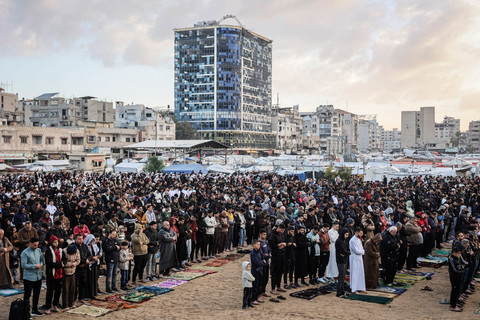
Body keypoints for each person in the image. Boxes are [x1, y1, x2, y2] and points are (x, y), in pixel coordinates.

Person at [21, 237, 44, 317]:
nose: (36, 246)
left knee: (37, 294)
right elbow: (23, 265)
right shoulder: (24, 253)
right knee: (27, 295)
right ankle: (25, 312)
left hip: (38, 276)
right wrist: (34, 266)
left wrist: (40, 264)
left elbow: (41, 259)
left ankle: (35, 309)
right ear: (30, 243)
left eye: (37, 245)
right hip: (29, 277)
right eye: (34, 245)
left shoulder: (39, 250)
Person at [44, 235, 64, 314]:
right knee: (50, 291)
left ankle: (55, 305)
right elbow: (49, 263)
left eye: (57, 242)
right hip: (51, 274)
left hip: (59, 274)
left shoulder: (60, 250)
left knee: (58, 290)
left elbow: (64, 259)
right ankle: (48, 307)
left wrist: (62, 264)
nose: (56, 243)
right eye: (54, 242)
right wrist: (59, 265)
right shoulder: (48, 251)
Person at [269, 224, 287, 294]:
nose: (282, 232)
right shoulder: (272, 235)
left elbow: (283, 243)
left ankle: (278, 286)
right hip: (275, 256)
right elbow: (271, 246)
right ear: (278, 228)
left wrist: (283, 245)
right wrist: (280, 244)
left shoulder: (281, 235)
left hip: (282, 255)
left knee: (280, 272)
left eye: (283, 230)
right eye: (282, 230)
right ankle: (273, 288)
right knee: (274, 272)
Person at [449, 242, 466, 312]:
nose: (459, 254)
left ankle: (455, 303)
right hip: (455, 277)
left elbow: (463, 263)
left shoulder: (458, 257)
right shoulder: (451, 258)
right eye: (459, 253)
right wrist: (462, 269)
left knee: (458, 290)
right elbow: (455, 270)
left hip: (459, 276)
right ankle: (453, 306)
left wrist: (462, 268)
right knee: (455, 291)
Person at [74, 233, 91, 303]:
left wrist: (88, 259)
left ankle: (81, 297)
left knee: (83, 283)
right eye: (79, 239)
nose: (81, 240)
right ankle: (74, 299)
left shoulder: (85, 246)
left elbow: (90, 255)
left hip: (84, 268)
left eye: (82, 239)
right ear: (75, 240)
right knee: (75, 285)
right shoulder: (73, 247)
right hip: (76, 268)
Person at [62, 243, 80, 310]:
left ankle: (71, 303)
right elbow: (63, 263)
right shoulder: (64, 251)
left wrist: (76, 263)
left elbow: (78, 260)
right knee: (65, 290)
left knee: (72, 289)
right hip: (66, 273)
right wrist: (72, 264)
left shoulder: (77, 251)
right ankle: (65, 305)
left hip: (73, 272)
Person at [349, 227, 366, 294]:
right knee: (355, 273)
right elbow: (356, 251)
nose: (361, 234)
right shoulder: (352, 240)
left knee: (360, 273)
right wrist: (362, 252)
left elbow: (362, 249)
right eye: (360, 233)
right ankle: (354, 289)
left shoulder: (359, 240)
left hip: (359, 258)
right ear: (357, 232)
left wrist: (362, 251)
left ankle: (360, 287)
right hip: (354, 258)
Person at [335, 228, 350, 297]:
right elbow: (343, 251)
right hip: (340, 261)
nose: (347, 236)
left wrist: (346, 253)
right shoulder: (338, 241)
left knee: (343, 277)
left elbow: (346, 250)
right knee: (341, 277)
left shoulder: (344, 240)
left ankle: (342, 291)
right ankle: (339, 293)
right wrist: (347, 253)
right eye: (346, 234)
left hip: (344, 260)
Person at [250, 239, 265, 304]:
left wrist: (262, 261)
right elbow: (257, 263)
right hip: (255, 271)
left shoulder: (259, 251)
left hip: (260, 271)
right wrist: (262, 262)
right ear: (254, 245)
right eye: (258, 244)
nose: (259, 246)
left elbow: (263, 257)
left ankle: (257, 297)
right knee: (255, 286)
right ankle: (253, 299)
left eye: (259, 244)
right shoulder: (253, 253)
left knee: (259, 285)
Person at [258, 229, 271, 297]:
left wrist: (269, 254)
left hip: (267, 263)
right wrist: (267, 256)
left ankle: (263, 291)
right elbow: (260, 254)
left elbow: (269, 250)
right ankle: (259, 293)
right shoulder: (259, 243)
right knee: (261, 279)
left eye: (265, 234)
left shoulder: (266, 242)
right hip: (262, 264)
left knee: (266, 278)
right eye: (264, 234)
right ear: (260, 235)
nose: (265, 236)